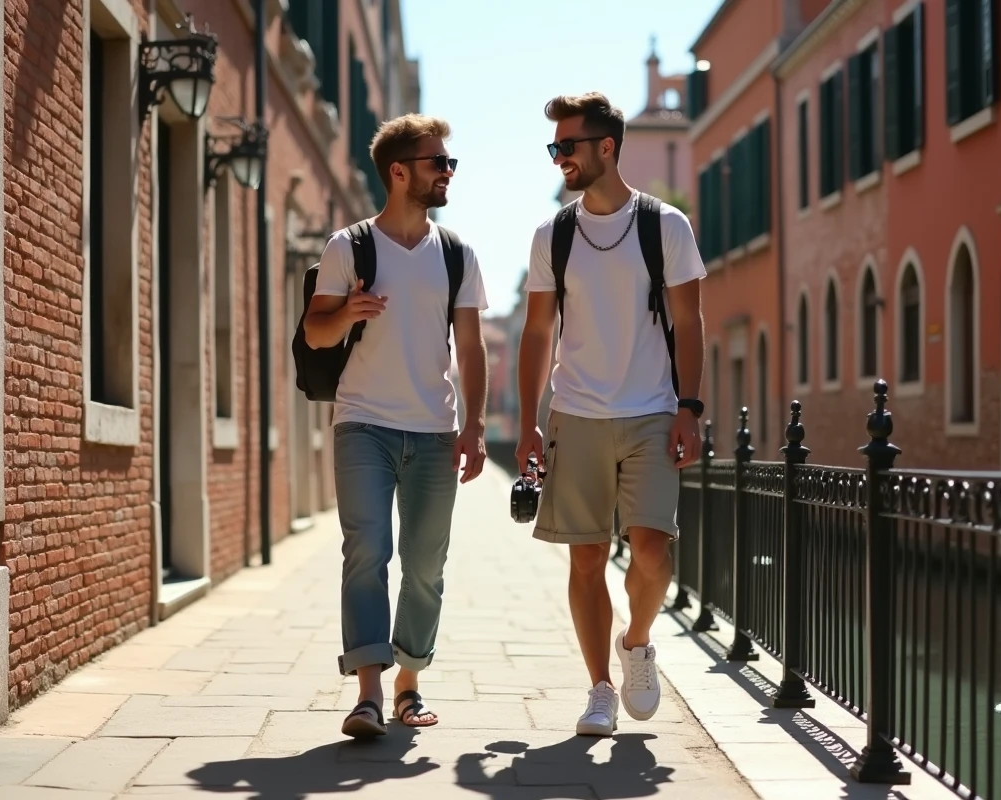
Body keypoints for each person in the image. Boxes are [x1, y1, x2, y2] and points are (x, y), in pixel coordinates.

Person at [515, 92, 707, 737]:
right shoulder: (553, 235)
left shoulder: (666, 227)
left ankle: (638, 643)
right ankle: (599, 688)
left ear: (607, 148)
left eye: (567, 146)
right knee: (587, 559)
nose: (559, 158)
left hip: (653, 411)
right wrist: (527, 422)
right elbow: (538, 333)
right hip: (577, 413)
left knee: (652, 552)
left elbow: (689, 320)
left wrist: (689, 406)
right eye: (555, 147)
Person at [302, 113, 489, 738]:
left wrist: (476, 425)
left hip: (435, 431)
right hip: (363, 424)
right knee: (368, 552)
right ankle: (369, 694)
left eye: (449, 162)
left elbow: (472, 346)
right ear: (399, 171)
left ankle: (410, 681)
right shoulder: (348, 247)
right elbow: (315, 331)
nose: (448, 173)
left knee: (426, 565)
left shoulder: (457, 253)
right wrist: (348, 310)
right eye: (439, 162)